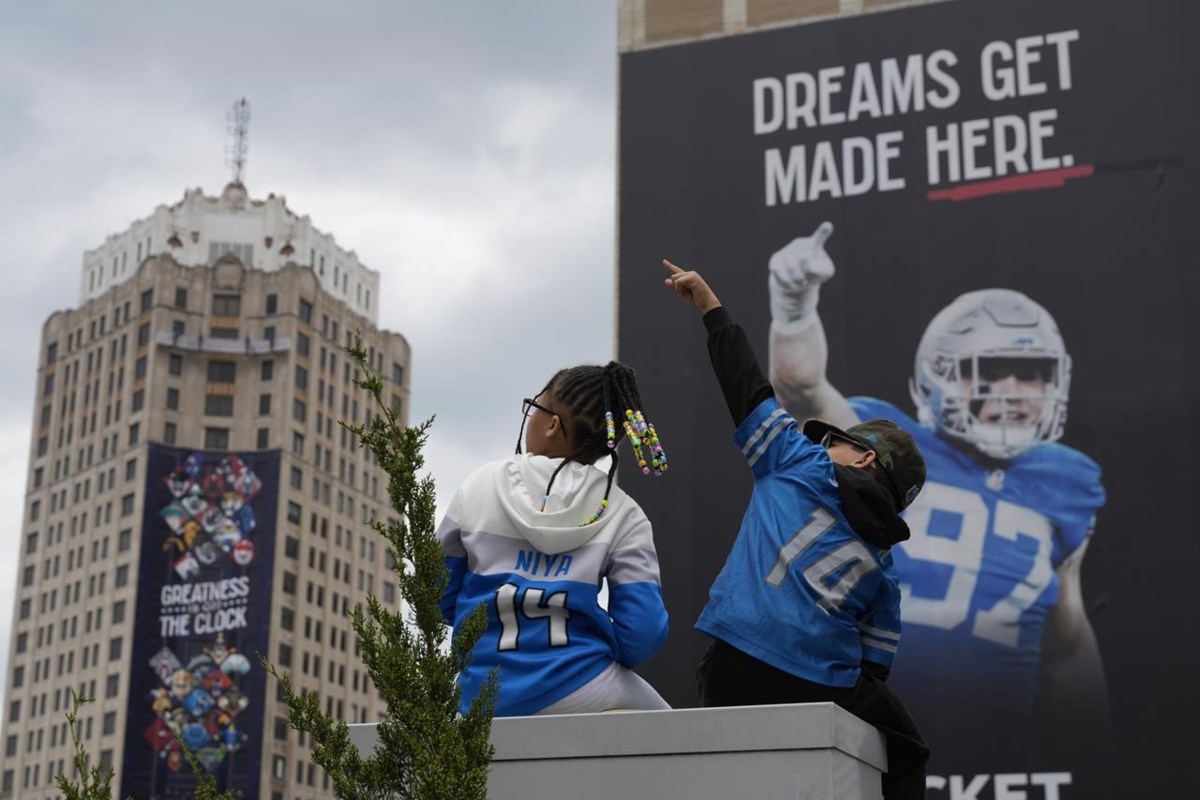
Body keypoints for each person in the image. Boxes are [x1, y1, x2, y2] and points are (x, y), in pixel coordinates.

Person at [766, 221, 1108, 764]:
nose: (1017, 394)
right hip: (870, 725)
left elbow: (1067, 645)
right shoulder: (891, 446)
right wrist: (794, 304)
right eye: (993, 373)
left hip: (998, 747)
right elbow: (802, 387)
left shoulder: (1067, 483)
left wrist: (1096, 754)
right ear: (939, 378)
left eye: (1033, 376)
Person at [662, 260, 930, 800]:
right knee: (907, 750)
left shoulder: (795, 461)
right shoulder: (883, 564)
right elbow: (877, 665)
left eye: (839, 439)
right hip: (819, 685)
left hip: (733, 667)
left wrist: (713, 311)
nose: (826, 442)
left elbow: (746, 386)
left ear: (861, 459)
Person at [436, 362, 672, 717]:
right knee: (684, 743)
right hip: (586, 687)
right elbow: (644, 632)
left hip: (482, 697)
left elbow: (435, 594)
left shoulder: (479, 486)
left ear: (551, 425)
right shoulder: (624, 512)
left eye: (534, 407)